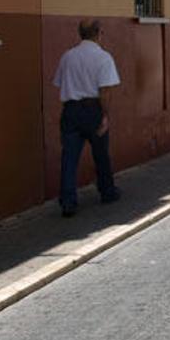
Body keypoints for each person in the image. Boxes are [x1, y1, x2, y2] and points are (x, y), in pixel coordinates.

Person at [52, 20, 122, 218]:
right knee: (100, 153)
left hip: (71, 111)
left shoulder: (67, 56)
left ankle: (68, 201)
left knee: (69, 158)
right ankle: (107, 191)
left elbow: (59, 82)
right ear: (99, 33)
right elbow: (105, 90)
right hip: (93, 109)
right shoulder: (103, 58)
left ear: (80, 34)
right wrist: (105, 115)